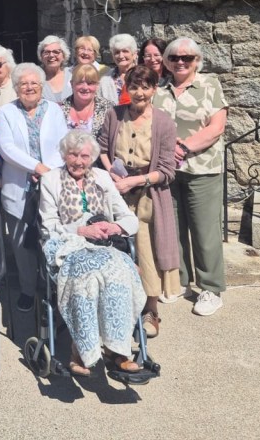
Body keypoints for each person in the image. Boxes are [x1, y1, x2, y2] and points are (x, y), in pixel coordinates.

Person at [38, 130, 144, 377]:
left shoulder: (103, 178)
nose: (78, 161)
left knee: (121, 274)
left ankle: (119, 350)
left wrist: (115, 226)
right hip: (68, 245)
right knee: (86, 279)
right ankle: (80, 351)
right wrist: (81, 229)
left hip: (104, 247)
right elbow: (48, 225)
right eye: (73, 155)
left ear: (92, 158)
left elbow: (129, 217)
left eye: (84, 156)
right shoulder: (50, 180)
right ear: (64, 155)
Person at [100, 65, 179, 338]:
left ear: (155, 89)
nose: (139, 92)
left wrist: (133, 181)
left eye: (146, 87)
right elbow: (101, 148)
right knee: (115, 251)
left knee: (146, 252)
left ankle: (151, 310)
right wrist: (110, 171)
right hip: (116, 194)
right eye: (134, 86)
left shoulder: (164, 123)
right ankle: (118, 306)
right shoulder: (114, 115)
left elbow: (167, 170)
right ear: (127, 89)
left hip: (147, 196)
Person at [153, 37, 228, 316]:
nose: (180, 62)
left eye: (187, 58)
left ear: (197, 60)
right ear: (167, 62)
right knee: (172, 227)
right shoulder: (160, 89)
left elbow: (216, 127)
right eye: (174, 58)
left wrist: (182, 147)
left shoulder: (210, 85)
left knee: (204, 229)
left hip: (202, 168)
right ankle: (179, 281)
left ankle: (210, 287)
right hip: (169, 170)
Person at [0, 63, 67, 313]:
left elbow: (63, 144)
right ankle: (27, 288)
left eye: (34, 83)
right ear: (15, 88)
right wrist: (37, 167)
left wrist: (48, 170)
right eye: (23, 84)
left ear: (42, 86)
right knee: (20, 241)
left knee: (50, 237)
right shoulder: (6, 112)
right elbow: (6, 147)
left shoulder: (54, 111)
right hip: (19, 186)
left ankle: (52, 289)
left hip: (50, 184)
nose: (29, 88)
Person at [59, 64, 114, 143]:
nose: (85, 87)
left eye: (90, 83)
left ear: (97, 85)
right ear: (72, 84)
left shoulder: (109, 109)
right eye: (80, 83)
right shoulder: (59, 109)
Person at [69, 35, 118, 102]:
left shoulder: (105, 72)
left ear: (95, 54)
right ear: (76, 51)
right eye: (82, 48)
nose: (85, 53)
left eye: (90, 50)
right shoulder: (68, 72)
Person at [37, 36, 71, 103]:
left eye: (56, 52)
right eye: (47, 52)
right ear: (41, 56)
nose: (51, 55)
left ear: (63, 56)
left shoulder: (72, 75)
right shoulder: (36, 78)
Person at [109, 34, 138, 106]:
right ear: (113, 56)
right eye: (117, 52)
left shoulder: (143, 75)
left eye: (125, 51)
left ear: (134, 54)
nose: (121, 56)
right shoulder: (106, 78)